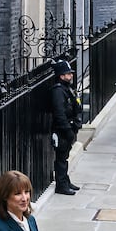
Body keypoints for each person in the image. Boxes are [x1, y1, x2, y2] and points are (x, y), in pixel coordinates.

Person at [49, 60, 82, 195]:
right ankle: (61, 185)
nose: (71, 76)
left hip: (70, 127)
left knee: (65, 156)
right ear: (61, 76)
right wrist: (67, 130)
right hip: (62, 129)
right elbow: (59, 113)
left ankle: (65, 180)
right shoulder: (58, 91)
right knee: (61, 158)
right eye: (68, 74)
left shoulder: (66, 88)